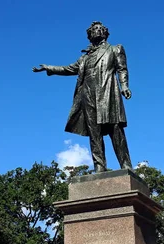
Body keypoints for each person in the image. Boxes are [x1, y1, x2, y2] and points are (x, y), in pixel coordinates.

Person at [32, 21, 133, 173]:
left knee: (116, 130)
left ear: (105, 33)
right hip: (88, 96)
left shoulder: (115, 49)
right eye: (94, 29)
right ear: (89, 35)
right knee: (94, 132)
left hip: (108, 93)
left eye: (100, 29)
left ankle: (126, 165)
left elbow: (122, 69)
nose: (97, 31)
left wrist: (124, 86)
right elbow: (67, 69)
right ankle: (99, 166)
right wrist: (49, 68)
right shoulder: (84, 59)